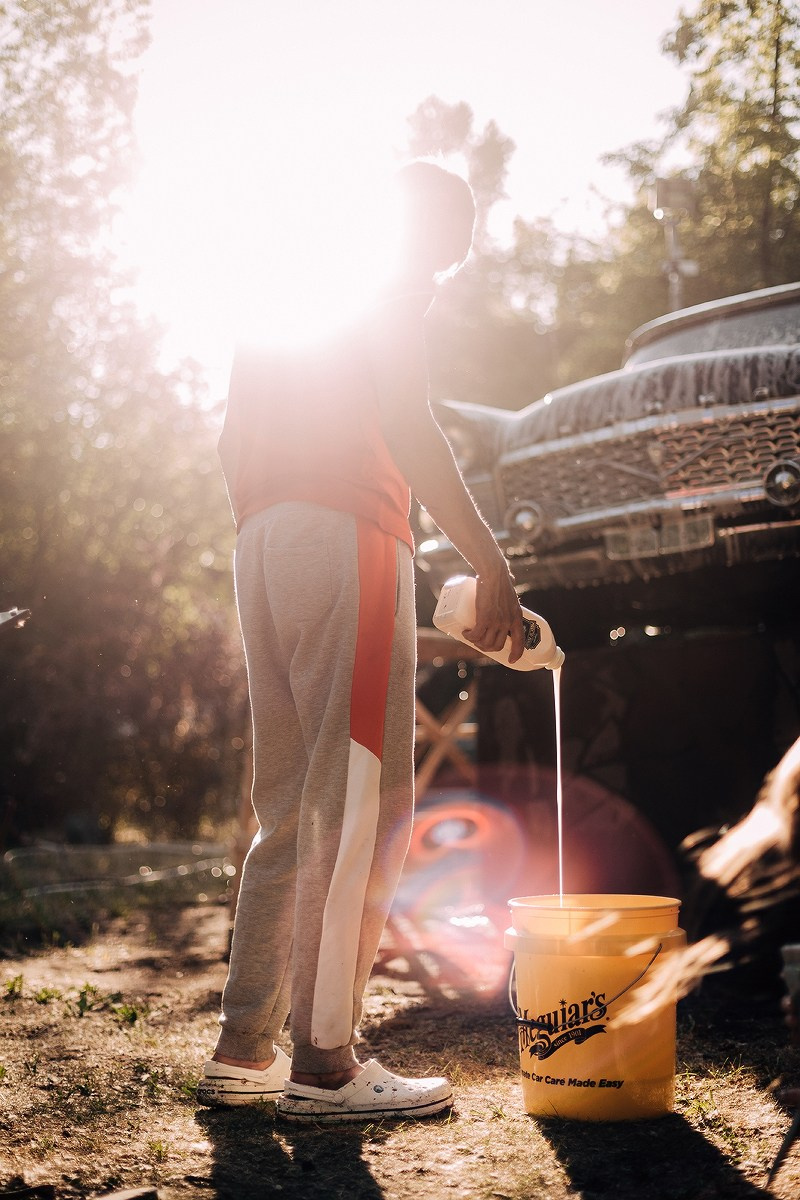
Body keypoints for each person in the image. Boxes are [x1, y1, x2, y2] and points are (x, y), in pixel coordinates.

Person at [199, 159, 525, 1123]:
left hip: (261, 541)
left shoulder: (284, 296)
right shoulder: (388, 287)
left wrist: (277, 519)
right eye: (447, 246)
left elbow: (226, 442)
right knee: (363, 801)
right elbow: (409, 426)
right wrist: (491, 562)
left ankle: (244, 1049)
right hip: (349, 536)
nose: (442, 272)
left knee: (289, 804)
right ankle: (327, 1064)